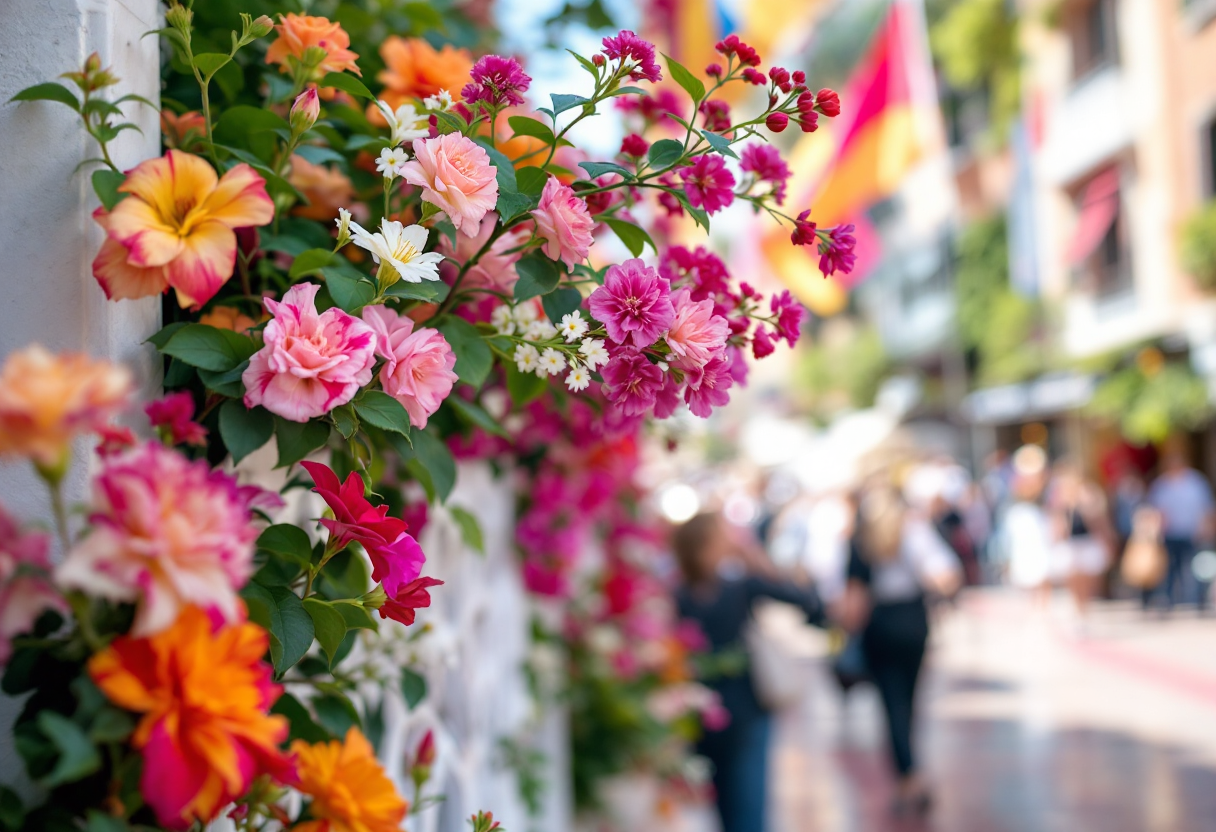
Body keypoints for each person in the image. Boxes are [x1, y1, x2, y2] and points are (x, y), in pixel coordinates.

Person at [673, 512, 822, 832]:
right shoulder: (738, 587)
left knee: (730, 811)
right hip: (742, 714)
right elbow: (808, 601)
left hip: (706, 716)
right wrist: (760, 562)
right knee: (747, 810)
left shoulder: (680, 596)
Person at [838, 479, 961, 816]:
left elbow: (853, 603)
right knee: (908, 701)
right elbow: (945, 573)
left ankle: (908, 776)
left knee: (892, 705)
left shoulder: (862, 540)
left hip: (881, 626)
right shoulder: (914, 532)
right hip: (913, 621)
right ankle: (911, 773)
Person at [1147, 446, 1216, 611]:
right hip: (1170, 534)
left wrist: (1207, 529)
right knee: (1170, 568)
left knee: (1194, 568)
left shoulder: (1196, 482)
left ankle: (1194, 601)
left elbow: (1206, 508)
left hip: (1192, 532)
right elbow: (1154, 511)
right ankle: (1170, 600)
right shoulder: (1161, 485)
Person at [1047, 460, 1113, 621]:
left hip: (1087, 542)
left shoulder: (1089, 493)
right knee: (1073, 580)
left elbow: (1100, 519)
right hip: (1070, 544)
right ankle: (1078, 610)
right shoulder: (1060, 496)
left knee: (1088, 581)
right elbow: (1056, 521)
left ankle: (1084, 610)